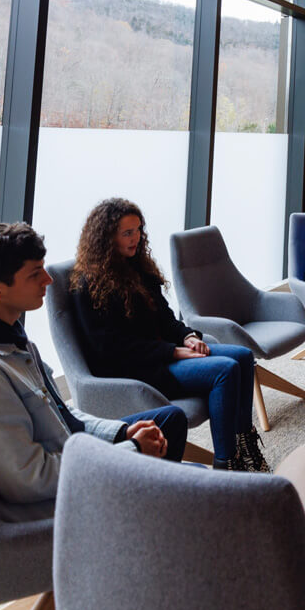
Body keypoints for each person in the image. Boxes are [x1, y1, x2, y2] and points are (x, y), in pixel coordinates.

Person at [0, 223, 188, 522]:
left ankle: (156, 524)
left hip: (64, 458)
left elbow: (61, 415)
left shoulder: (5, 338)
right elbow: (33, 479)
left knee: (168, 423)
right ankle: (156, 522)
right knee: (199, 491)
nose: (48, 280)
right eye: (35, 274)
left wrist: (120, 434)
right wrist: (132, 451)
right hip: (56, 508)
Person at [69, 198, 267, 472]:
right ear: (106, 237)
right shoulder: (87, 285)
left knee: (243, 357)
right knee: (225, 370)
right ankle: (227, 464)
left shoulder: (138, 267)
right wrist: (173, 352)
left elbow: (165, 318)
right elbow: (109, 349)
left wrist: (186, 337)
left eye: (138, 230)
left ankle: (245, 448)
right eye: (127, 233)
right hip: (136, 368)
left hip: (162, 354)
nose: (136, 238)